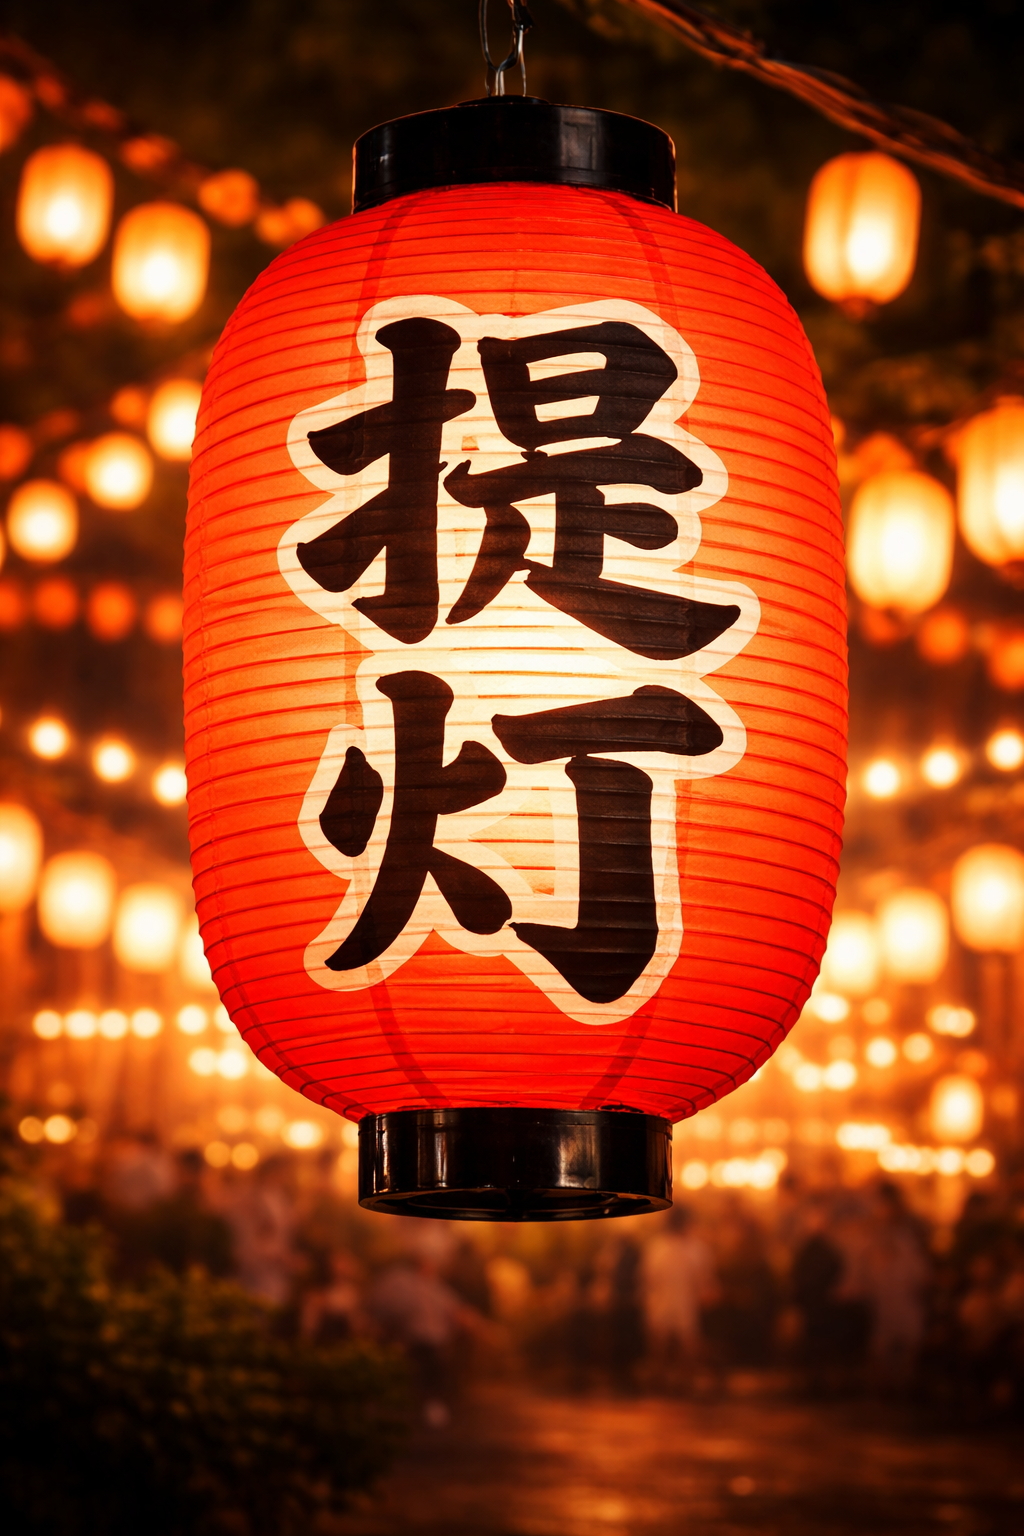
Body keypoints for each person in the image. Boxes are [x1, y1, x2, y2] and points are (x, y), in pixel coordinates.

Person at [368, 1250, 481, 1426]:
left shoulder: (437, 1288)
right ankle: (426, 1404)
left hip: (436, 1339)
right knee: (424, 1367)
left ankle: (433, 1404)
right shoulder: (404, 1284)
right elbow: (392, 1310)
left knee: (434, 1367)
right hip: (415, 1338)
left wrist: (465, 1319)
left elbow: (455, 1308)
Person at [642, 1205, 715, 1392]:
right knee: (669, 1350)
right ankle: (671, 1385)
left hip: (674, 1305)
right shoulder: (694, 1249)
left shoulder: (657, 1248)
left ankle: (669, 1386)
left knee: (675, 1349)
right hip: (675, 1305)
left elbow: (648, 1280)